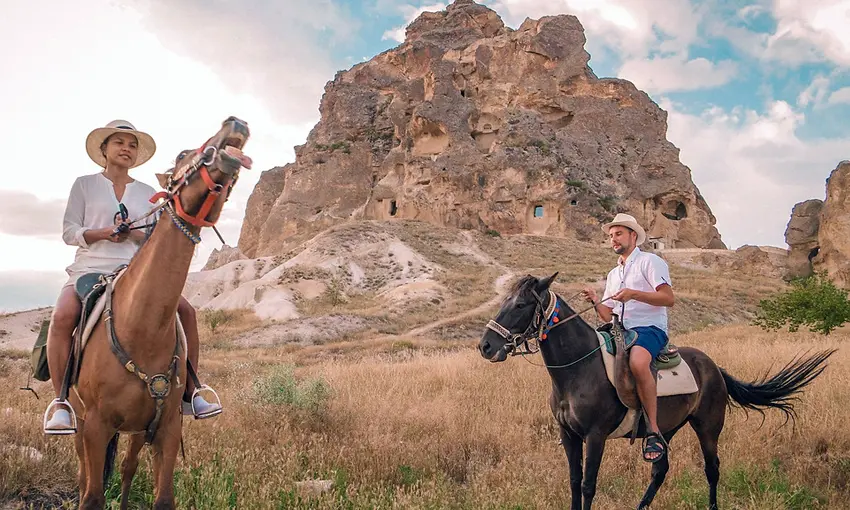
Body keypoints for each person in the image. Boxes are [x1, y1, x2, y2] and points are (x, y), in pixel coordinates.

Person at [43, 120, 221, 434]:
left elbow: (158, 236)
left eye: (132, 144)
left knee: (187, 312)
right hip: (90, 269)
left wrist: (136, 235)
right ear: (104, 149)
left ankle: (191, 390)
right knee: (62, 316)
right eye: (119, 142)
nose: (126, 148)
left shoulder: (148, 192)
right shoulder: (84, 185)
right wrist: (104, 233)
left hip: (133, 271)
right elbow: (70, 232)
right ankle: (61, 402)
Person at [580, 213, 674, 463]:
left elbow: (668, 299)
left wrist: (634, 294)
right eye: (611, 236)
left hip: (649, 328)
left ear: (633, 236)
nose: (613, 239)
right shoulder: (613, 274)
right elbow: (607, 314)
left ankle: (653, 430)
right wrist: (595, 301)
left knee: (638, 363)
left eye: (618, 233)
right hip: (619, 328)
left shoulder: (650, 262)